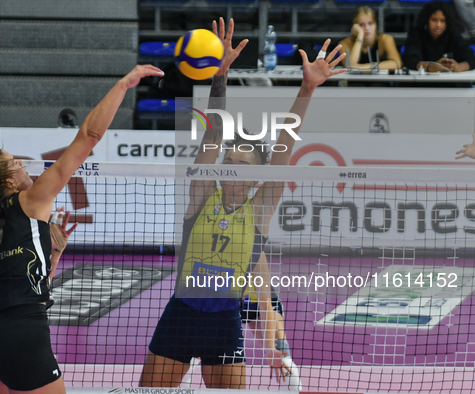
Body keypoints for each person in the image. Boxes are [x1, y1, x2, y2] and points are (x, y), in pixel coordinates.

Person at [0, 64, 164, 394]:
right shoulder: (31, 199)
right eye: (18, 164)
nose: (25, 166)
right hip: (21, 336)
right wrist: (125, 83)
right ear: (10, 180)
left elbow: (17, 281)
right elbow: (89, 137)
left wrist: (52, 256)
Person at [139, 17, 346, 389]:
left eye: (240, 165)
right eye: (228, 162)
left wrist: (307, 89)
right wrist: (220, 74)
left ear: (255, 178)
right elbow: (214, 131)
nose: (230, 168)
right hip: (181, 316)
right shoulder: (202, 196)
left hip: (225, 322)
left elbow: (285, 144)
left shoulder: (260, 210)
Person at [241, 252, 302, 391]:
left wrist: (270, 348)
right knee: (197, 347)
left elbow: (265, 305)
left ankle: (291, 390)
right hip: (227, 302)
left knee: (280, 352)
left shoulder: (252, 248)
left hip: (258, 301)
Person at [402, 1, 475, 72]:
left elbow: (470, 58)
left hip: (449, 81)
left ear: (447, 22)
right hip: (423, 82)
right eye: (434, 20)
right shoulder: (416, 34)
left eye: (442, 21)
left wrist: (458, 67)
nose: (438, 25)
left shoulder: (453, 34)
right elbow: (410, 60)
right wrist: (430, 66)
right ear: (426, 20)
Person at [339, 6, 402, 70]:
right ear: (355, 27)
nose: (367, 28)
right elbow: (350, 65)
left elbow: (397, 63)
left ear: (375, 24)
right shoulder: (345, 43)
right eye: (362, 25)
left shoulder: (385, 39)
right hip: (355, 80)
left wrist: (366, 67)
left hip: (379, 79)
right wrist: (360, 36)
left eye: (370, 23)